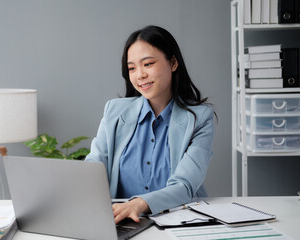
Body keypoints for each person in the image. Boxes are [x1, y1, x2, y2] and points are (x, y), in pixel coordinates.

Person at [85, 25, 215, 224]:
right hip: (122, 223)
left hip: (179, 220)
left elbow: (184, 185)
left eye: (148, 64)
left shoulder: (200, 118)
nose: (140, 75)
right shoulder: (114, 112)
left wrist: (139, 204)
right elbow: (94, 168)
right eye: (132, 68)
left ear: (173, 63)